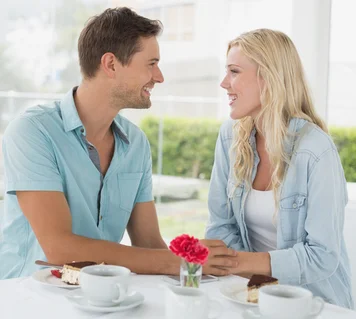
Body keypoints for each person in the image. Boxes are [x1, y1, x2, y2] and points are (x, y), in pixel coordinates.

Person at [0, 7, 236, 280]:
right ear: (111, 64)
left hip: (102, 296)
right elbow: (60, 248)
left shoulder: (136, 144)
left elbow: (148, 243)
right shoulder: (33, 131)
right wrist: (177, 261)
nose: (159, 77)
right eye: (151, 63)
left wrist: (194, 271)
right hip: (30, 295)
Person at [205, 28, 353, 308]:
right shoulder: (230, 137)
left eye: (234, 71)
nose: (224, 83)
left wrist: (238, 262)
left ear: (269, 78)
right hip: (249, 294)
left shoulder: (316, 150)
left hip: (313, 302)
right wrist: (252, 276)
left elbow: (322, 255)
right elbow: (219, 227)